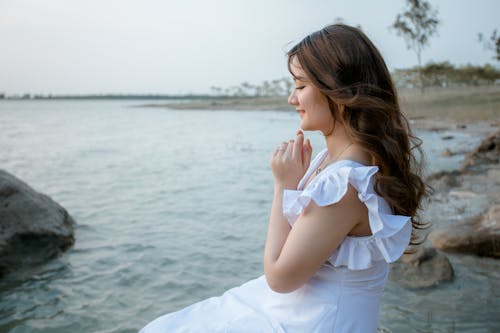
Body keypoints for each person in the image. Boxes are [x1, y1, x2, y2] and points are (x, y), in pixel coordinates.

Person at [139, 23, 427, 333]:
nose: (292, 98)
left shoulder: (345, 184)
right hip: (304, 311)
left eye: (301, 86)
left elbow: (280, 278)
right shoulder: (338, 162)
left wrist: (284, 186)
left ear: (340, 92)